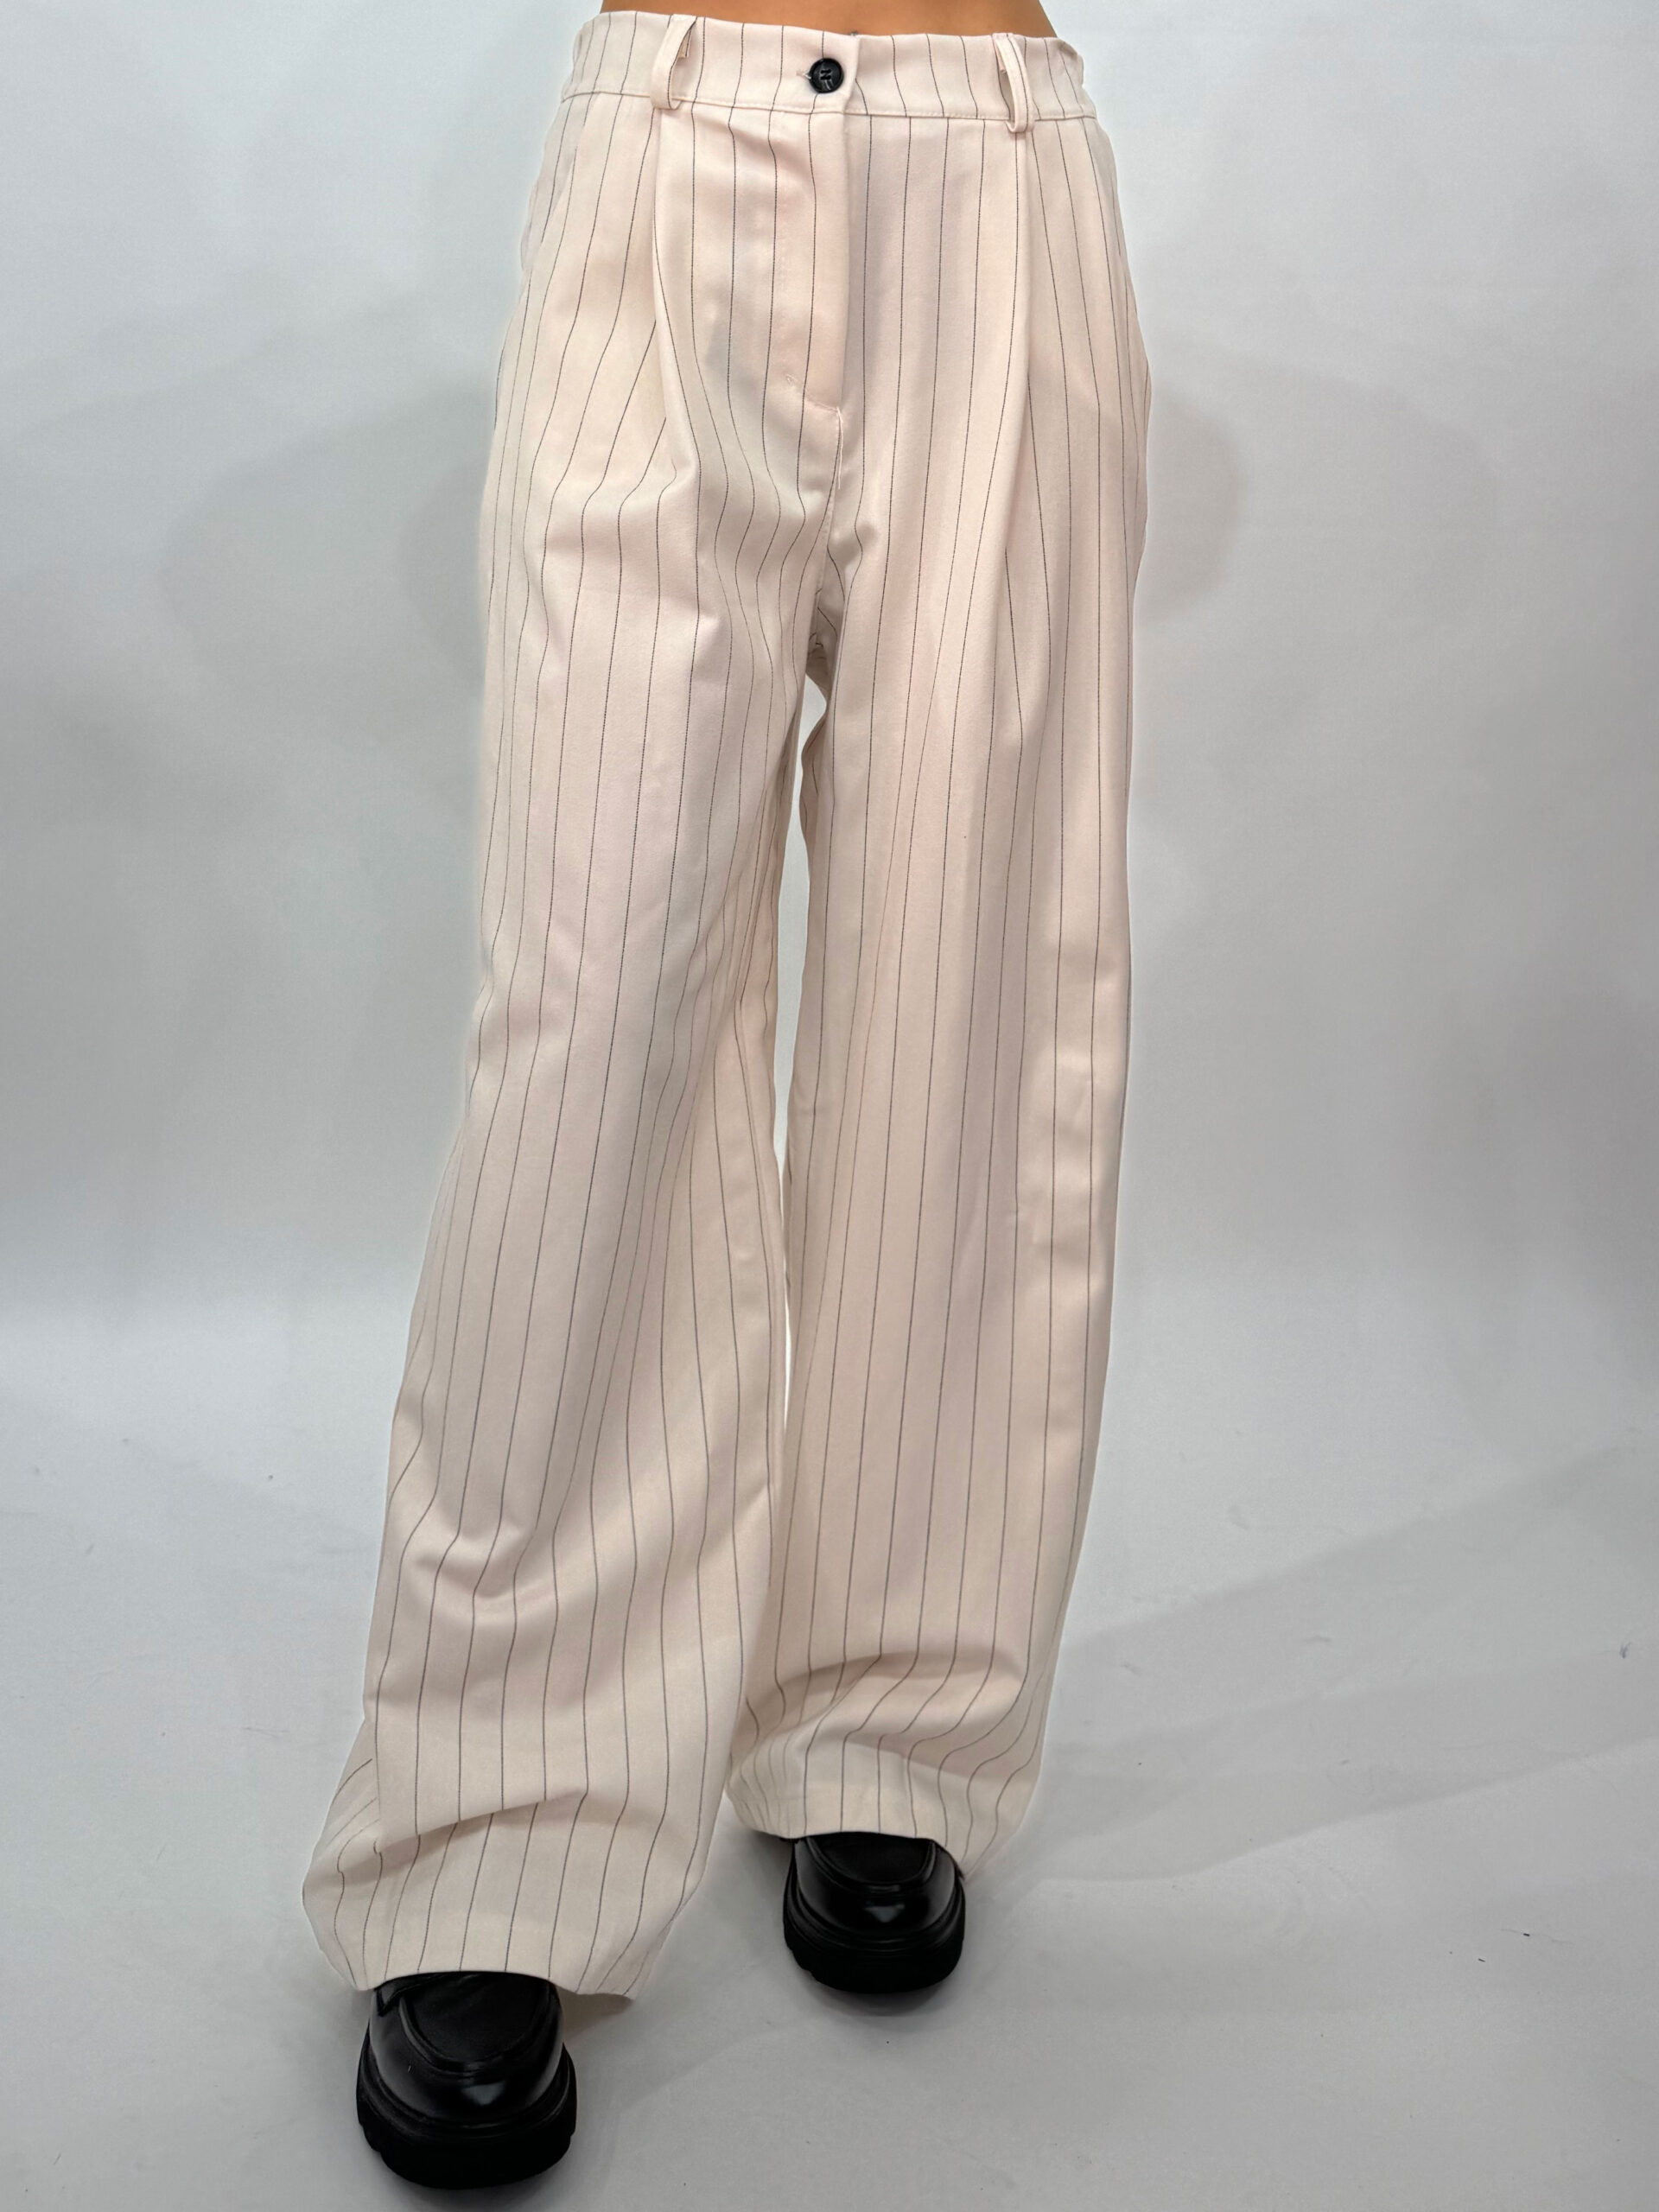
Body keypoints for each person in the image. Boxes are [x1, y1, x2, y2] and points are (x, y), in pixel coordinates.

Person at [301, 0, 1150, 2185]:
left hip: (999, 169)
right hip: (674, 153)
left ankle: (886, 1711)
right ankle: (493, 1821)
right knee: (592, 1009)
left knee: (973, 976)